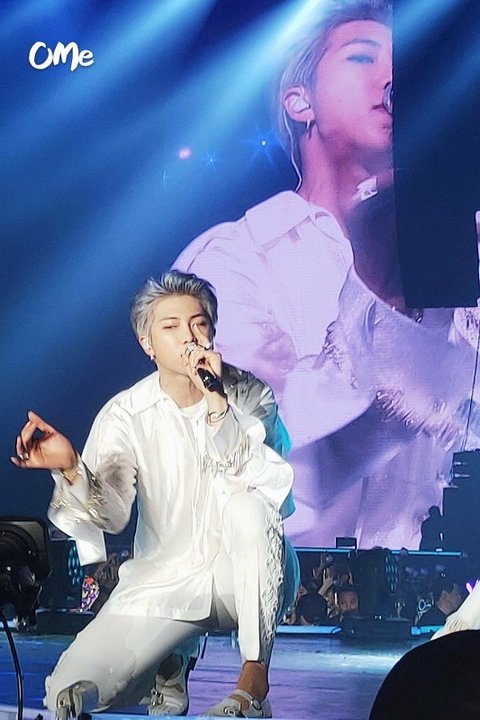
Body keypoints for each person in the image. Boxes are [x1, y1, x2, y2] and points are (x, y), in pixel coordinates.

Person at [173, 0, 480, 548]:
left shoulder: (452, 253)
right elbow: (256, 464)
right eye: (363, 57)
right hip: (289, 593)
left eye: (405, 62)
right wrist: (377, 290)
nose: (393, 78)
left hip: (440, 596)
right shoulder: (234, 259)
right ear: (300, 101)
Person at [10, 270, 299, 718]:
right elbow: (111, 515)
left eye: (199, 323)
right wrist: (71, 468)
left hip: (246, 574)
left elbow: (263, 488)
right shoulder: (127, 413)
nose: (189, 336)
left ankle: (253, 682)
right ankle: (171, 660)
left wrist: (216, 403)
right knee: (67, 693)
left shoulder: (249, 394)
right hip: (163, 579)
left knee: (248, 508)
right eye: (171, 326)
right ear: (148, 343)